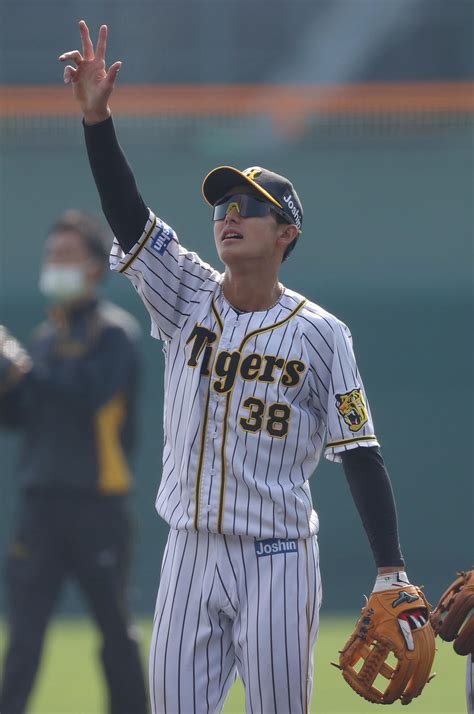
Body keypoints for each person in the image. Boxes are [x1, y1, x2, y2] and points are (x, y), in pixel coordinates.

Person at [59, 21, 428, 713]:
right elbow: (128, 215)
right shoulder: (185, 294)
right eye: (223, 207)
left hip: (278, 557)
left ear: (285, 231)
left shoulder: (322, 334)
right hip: (190, 552)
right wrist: (97, 119)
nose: (228, 216)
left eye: (248, 208)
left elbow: (360, 451)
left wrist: (390, 566)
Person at [0, 210, 148, 714]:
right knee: (23, 635)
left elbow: (87, 396)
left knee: (115, 632)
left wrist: (20, 368)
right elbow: (24, 415)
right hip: (39, 505)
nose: (55, 265)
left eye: (66, 256)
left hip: (97, 505)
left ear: (94, 267)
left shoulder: (116, 334)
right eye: (50, 256)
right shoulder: (44, 336)